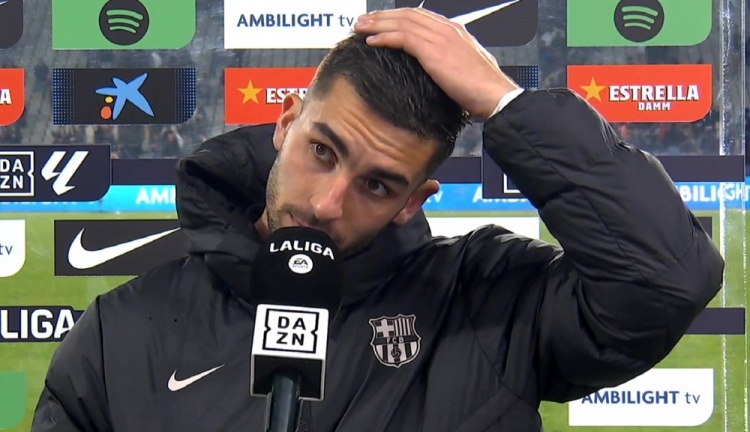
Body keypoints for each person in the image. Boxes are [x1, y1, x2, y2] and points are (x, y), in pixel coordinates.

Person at [31, 8, 723, 432]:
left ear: (414, 201)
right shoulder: (120, 335)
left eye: (377, 185)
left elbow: (666, 280)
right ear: (286, 123)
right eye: (323, 152)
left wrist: (504, 102)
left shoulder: (489, 304)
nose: (327, 204)